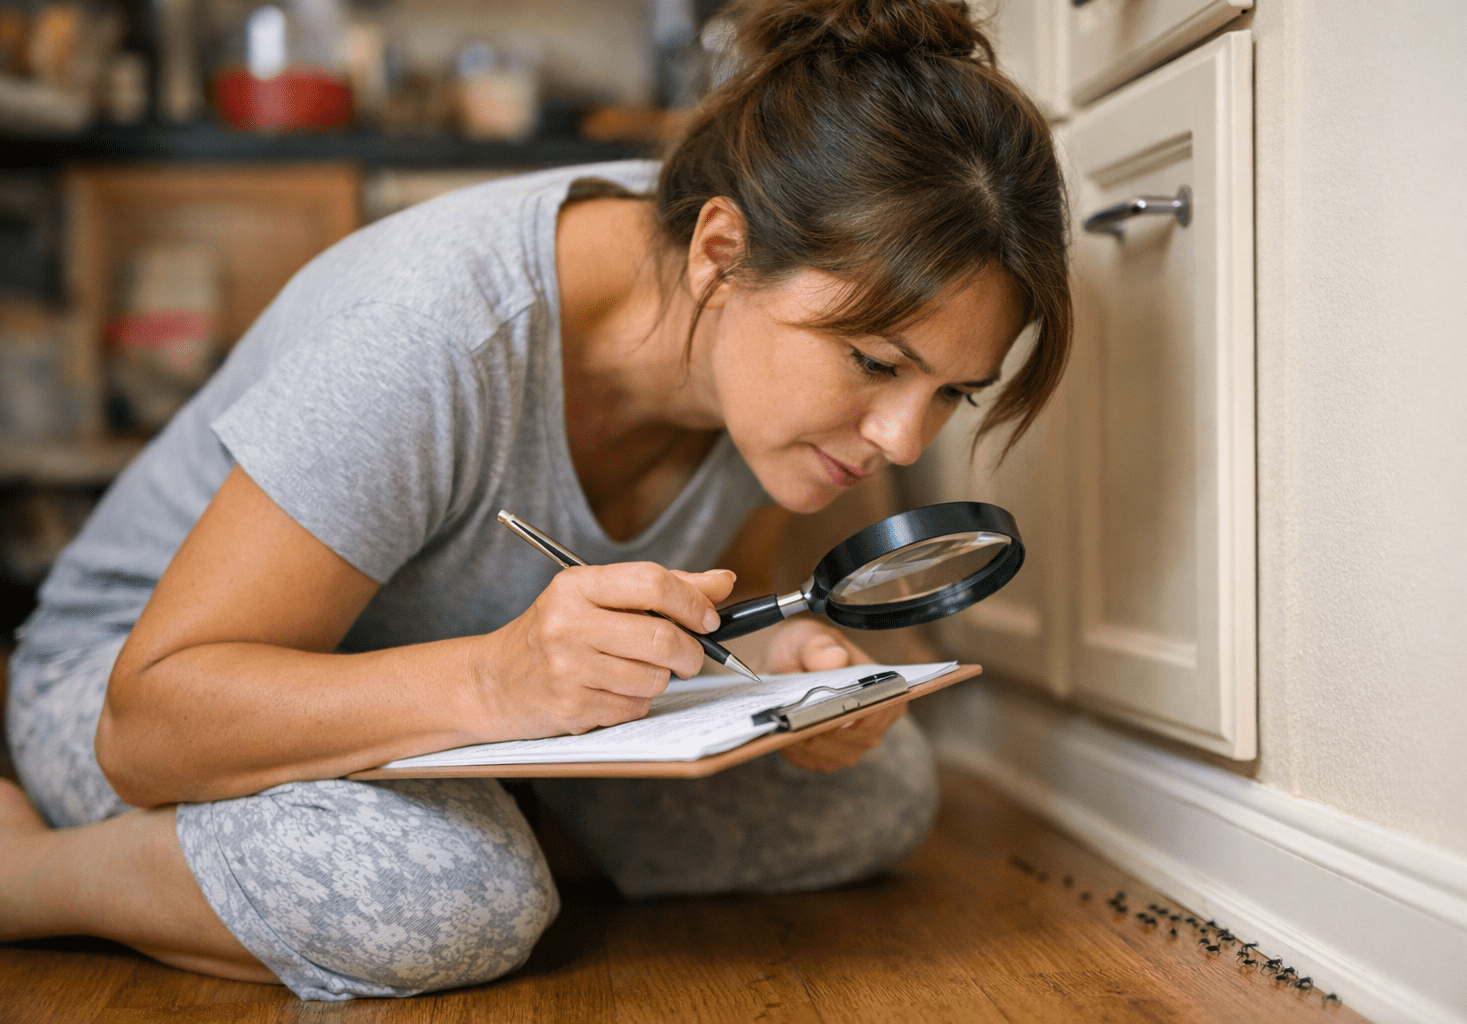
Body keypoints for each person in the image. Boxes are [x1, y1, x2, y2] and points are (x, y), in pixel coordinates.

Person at [0, 0, 1071, 1001]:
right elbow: (145, 727)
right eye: (877, 364)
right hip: (128, 684)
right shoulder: (436, 332)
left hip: (444, 709)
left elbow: (701, 605)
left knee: (873, 801)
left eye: (951, 392)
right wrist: (493, 677)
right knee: (451, 895)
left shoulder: (765, 360)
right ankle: (32, 873)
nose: (901, 438)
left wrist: (762, 665)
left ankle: (479, 831)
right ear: (719, 253)